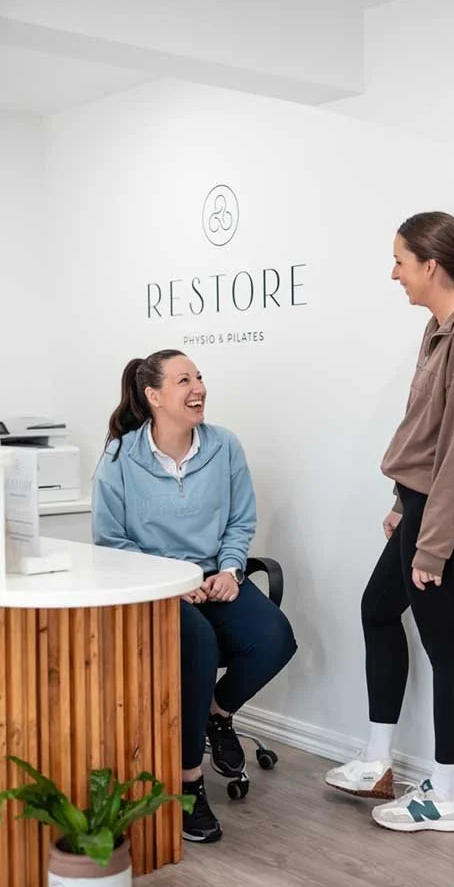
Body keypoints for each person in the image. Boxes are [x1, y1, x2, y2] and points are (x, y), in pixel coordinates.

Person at [325, 212, 454, 833]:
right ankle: (379, 760)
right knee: (378, 610)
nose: (394, 273)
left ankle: (449, 796)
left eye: (400, 261)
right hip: (422, 507)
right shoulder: (439, 332)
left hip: (447, 517)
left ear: (431, 266)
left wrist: (430, 547)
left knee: (446, 650)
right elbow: (427, 437)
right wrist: (403, 503)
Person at [92, 349, 297, 844]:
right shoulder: (121, 457)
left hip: (215, 577)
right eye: (184, 380)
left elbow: (240, 520)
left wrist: (229, 569)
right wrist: (169, 581)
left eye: (199, 377)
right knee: (198, 646)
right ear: (154, 396)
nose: (198, 388)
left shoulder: (224, 446)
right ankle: (188, 787)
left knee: (276, 638)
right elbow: (110, 541)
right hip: (158, 587)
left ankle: (216, 714)